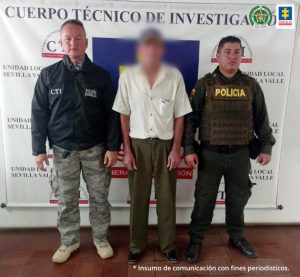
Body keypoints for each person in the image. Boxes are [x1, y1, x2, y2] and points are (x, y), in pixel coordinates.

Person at [31, 19, 121, 263]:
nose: (73, 43)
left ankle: (101, 239)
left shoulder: (100, 76)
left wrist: (114, 147)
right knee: (65, 199)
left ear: (86, 42)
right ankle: (68, 242)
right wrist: (39, 149)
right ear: (61, 43)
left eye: (78, 38)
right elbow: (39, 113)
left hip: (95, 150)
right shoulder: (48, 75)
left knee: (100, 198)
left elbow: (113, 114)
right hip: (63, 152)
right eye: (68, 39)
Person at [183, 36, 276, 262]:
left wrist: (266, 146)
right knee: (204, 200)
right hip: (209, 154)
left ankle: (236, 236)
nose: (232, 57)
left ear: (242, 55)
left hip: (240, 154)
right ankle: (196, 240)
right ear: (218, 55)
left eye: (237, 52)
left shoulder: (251, 86)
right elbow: (190, 120)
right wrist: (188, 148)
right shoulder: (204, 84)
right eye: (228, 52)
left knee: (238, 198)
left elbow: (261, 119)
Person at [113, 28, 192, 264]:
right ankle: (136, 245)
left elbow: (180, 115)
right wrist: (126, 149)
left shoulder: (173, 75)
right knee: (138, 198)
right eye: (147, 45)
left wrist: (177, 148)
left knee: (166, 198)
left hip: (166, 145)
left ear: (161, 49)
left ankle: (168, 245)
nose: (152, 50)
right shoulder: (128, 76)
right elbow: (123, 114)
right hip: (137, 144)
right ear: (140, 49)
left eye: (156, 45)